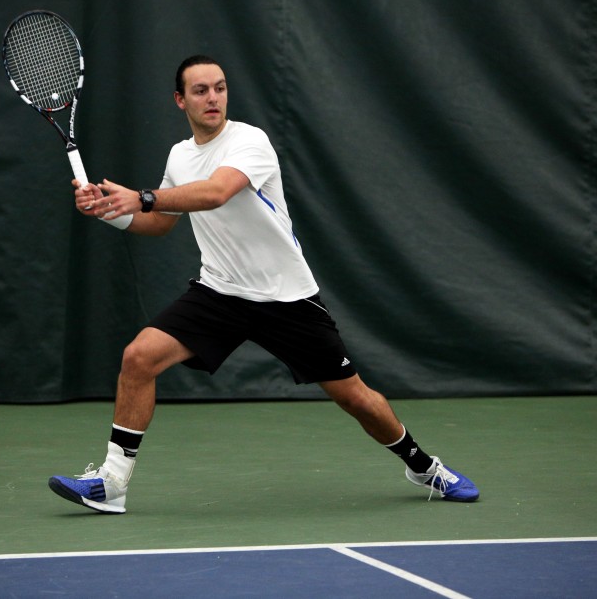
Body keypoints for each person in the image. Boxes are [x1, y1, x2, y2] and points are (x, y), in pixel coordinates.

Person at [48, 55, 478, 514]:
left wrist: (143, 197)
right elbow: (160, 223)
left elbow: (214, 194)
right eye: (200, 90)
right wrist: (109, 213)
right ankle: (112, 483)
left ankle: (422, 465)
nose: (213, 98)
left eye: (219, 87)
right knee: (139, 357)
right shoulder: (179, 155)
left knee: (357, 399)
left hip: (286, 298)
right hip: (220, 292)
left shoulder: (250, 141)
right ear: (180, 100)